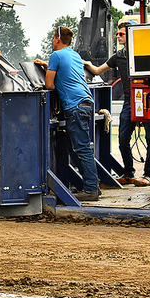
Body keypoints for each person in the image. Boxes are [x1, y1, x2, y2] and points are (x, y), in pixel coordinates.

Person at [83, 22, 150, 187]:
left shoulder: (143, 52)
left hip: (146, 99)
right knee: (123, 139)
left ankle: (148, 174)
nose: (118, 36)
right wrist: (87, 64)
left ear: (131, 34)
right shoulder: (118, 56)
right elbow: (98, 71)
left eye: (121, 34)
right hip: (129, 102)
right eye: (117, 33)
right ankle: (129, 172)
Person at [34, 26, 100, 201]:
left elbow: (49, 85)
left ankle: (91, 189)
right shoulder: (74, 55)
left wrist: (58, 86)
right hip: (86, 102)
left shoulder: (55, 55)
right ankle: (91, 184)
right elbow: (67, 70)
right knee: (75, 147)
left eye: (53, 37)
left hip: (74, 106)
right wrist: (48, 66)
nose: (52, 41)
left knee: (82, 149)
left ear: (57, 39)